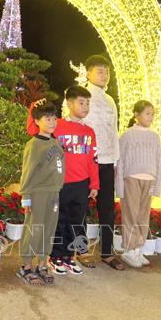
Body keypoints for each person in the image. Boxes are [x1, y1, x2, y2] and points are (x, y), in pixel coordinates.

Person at [27, 86, 99, 275]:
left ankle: (68, 257)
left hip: (82, 184)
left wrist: (94, 184)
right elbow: (33, 128)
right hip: (59, 183)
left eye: (88, 103)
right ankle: (55, 256)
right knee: (59, 221)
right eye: (81, 102)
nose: (85, 106)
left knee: (76, 221)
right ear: (69, 104)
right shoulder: (56, 124)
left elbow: (93, 159)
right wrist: (36, 106)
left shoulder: (90, 132)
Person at [82, 54, 124, 271]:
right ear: (88, 73)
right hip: (86, 161)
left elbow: (114, 131)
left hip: (107, 162)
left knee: (106, 208)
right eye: (100, 71)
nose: (104, 75)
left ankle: (107, 253)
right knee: (80, 207)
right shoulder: (80, 96)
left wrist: (116, 161)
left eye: (106, 72)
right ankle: (79, 251)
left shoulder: (109, 100)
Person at [17, 101, 65, 285]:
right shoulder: (34, 145)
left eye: (54, 118)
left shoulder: (55, 142)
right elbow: (27, 171)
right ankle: (26, 266)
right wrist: (26, 197)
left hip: (54, 193)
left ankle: (42, 264)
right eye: (47, 118)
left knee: (49, 229)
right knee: (34, 229)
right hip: (38, 194)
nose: (52, 122)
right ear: (37, 121)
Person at [115, 100, 161, 268]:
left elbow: (159, 162)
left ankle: (137, 248)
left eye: (152, 114)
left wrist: (157, 186)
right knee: (131, 213)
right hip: (132, 180)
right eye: (147, 113)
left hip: (149, 180)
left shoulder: (154, 137)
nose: (150, 117)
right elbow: (119, 162)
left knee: (143, 215)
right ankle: (129, 249)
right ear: (136, 115)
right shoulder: (128, 135)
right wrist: (119, 187)